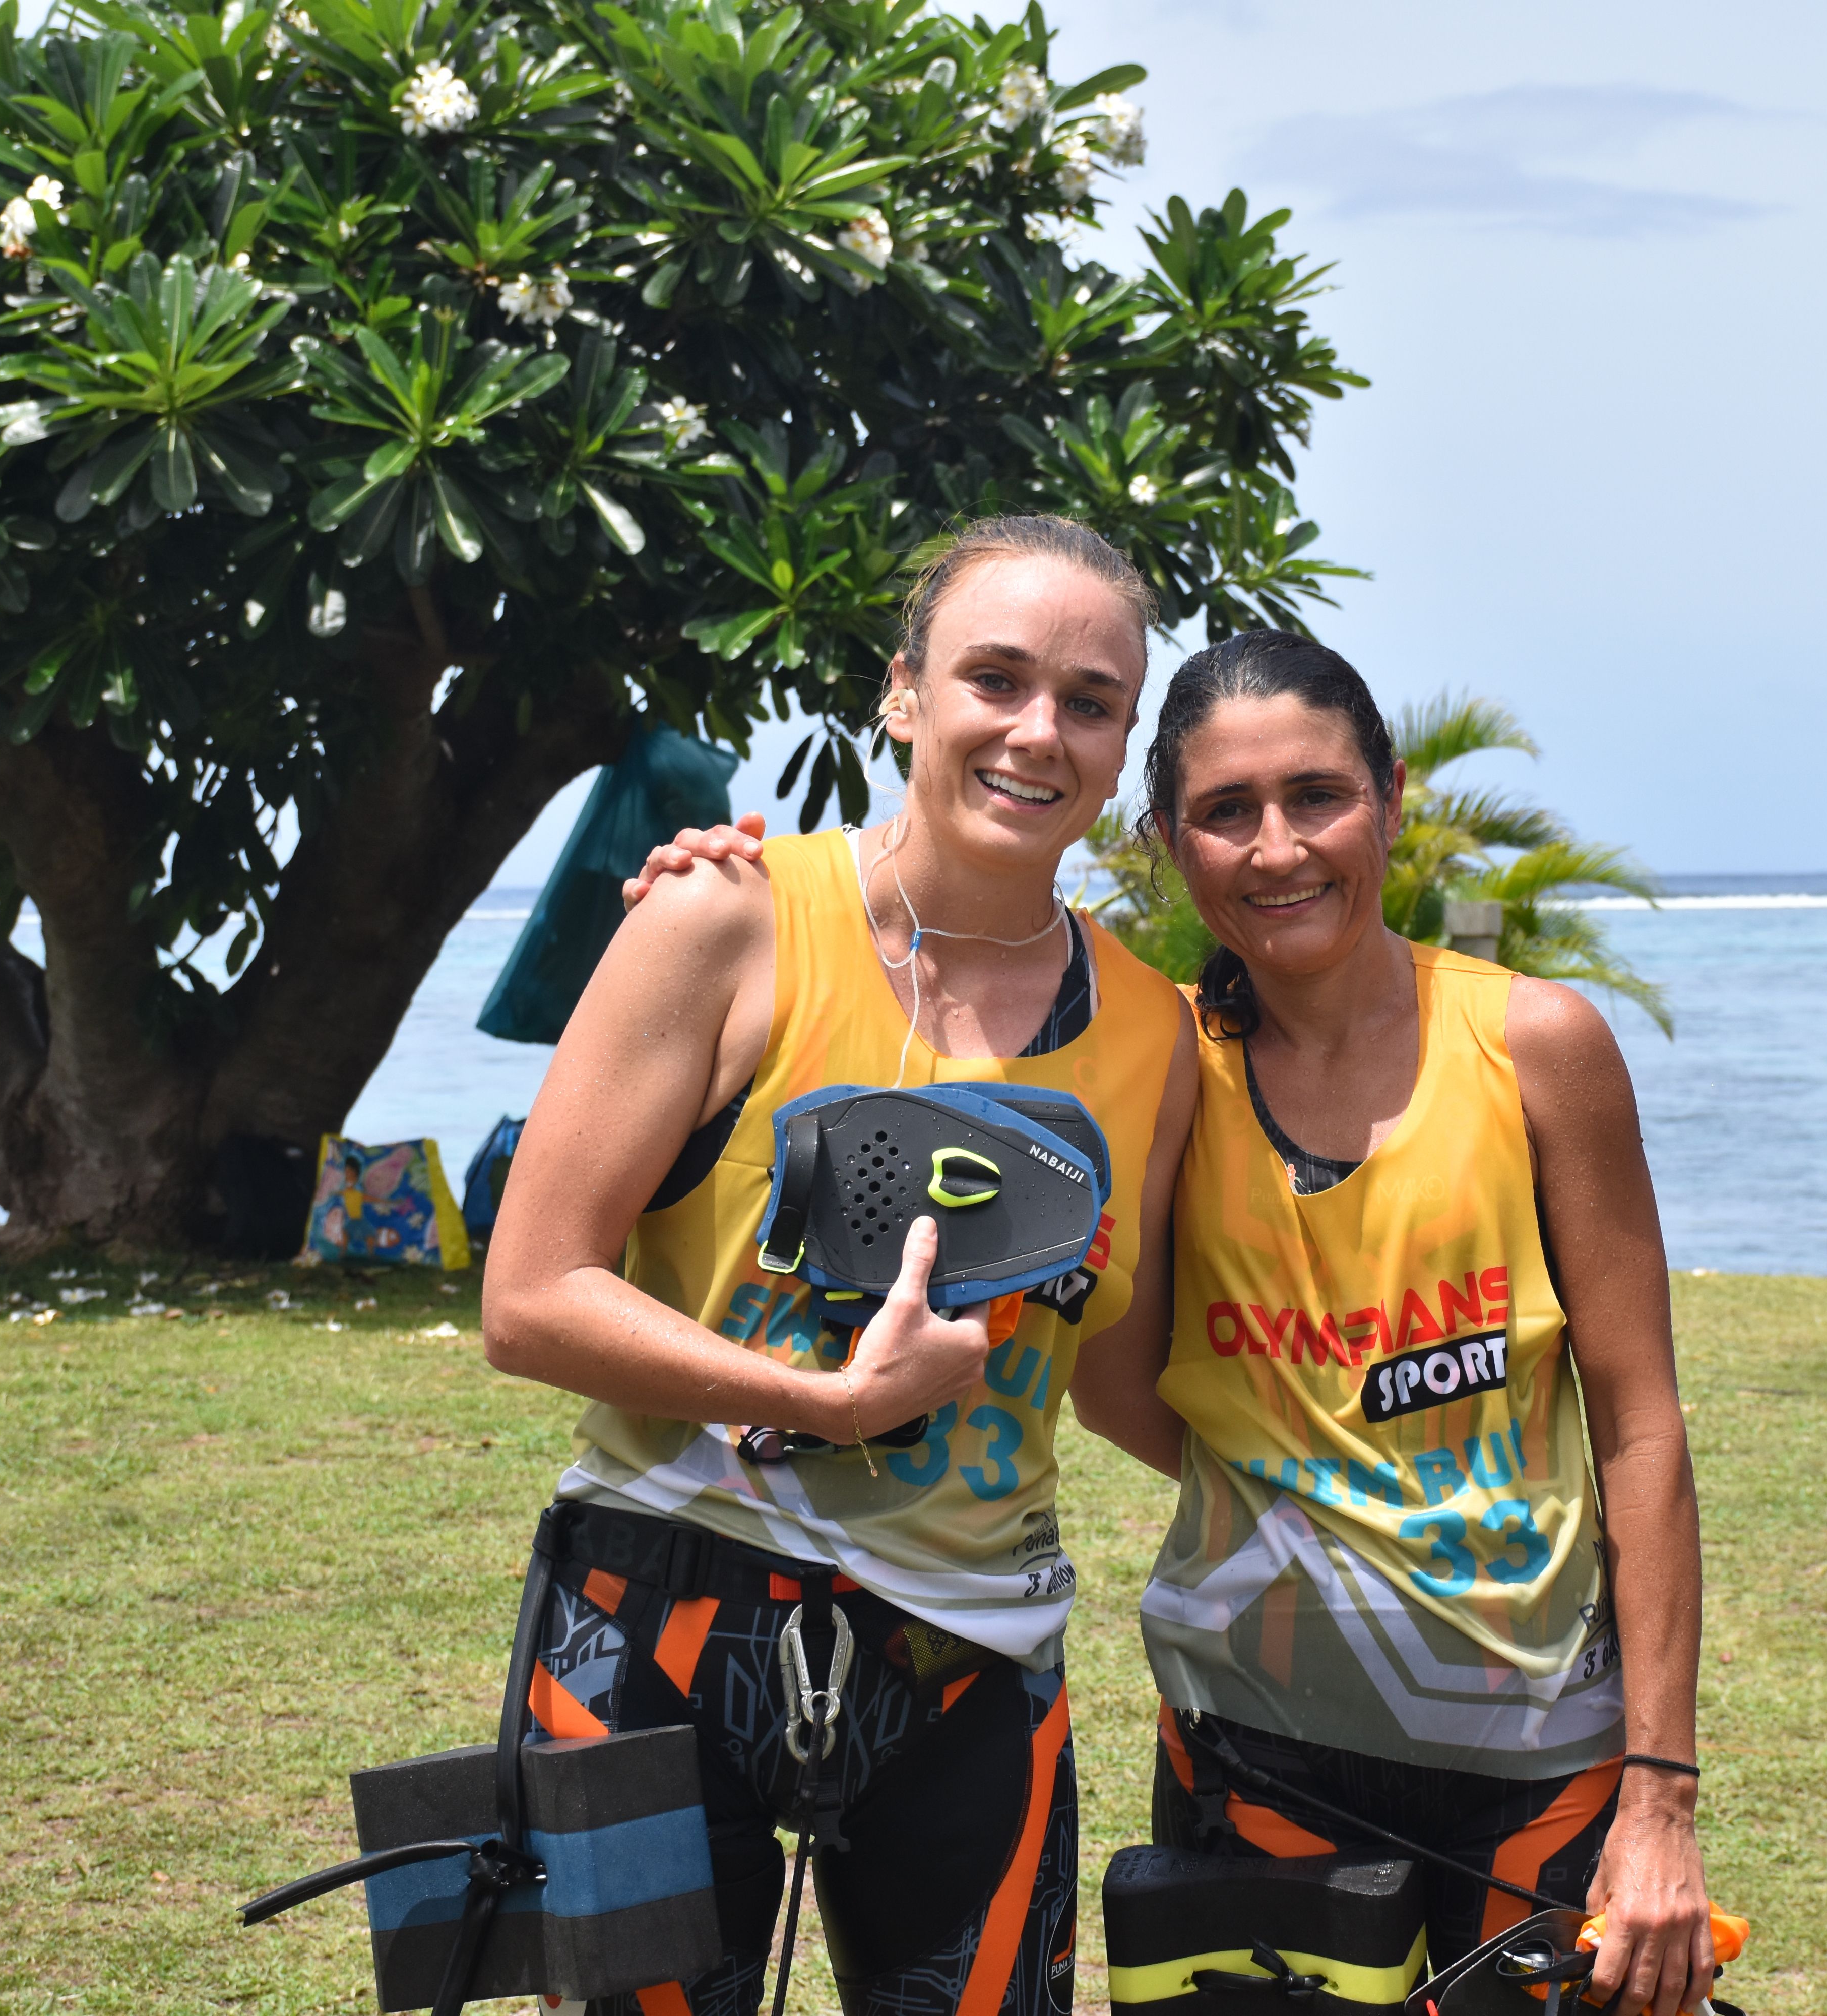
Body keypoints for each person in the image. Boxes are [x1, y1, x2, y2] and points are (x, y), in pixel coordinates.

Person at [631, 633, 1715, 2016]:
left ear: (1391, 796)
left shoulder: (1535, 1046)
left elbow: (1639, 1421)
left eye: (1317, 795)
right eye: (1224, 814)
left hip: (1546, 1755)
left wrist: (1664, 1793)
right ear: (1167, 842)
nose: (1278, 849)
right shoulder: (1161, 1065)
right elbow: (1114, 1383)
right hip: (1253, 1746)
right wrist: (723, 887)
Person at [483, 514, 1199, 2016]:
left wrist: (1369, 1470)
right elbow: (533, 1294)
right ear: (903, 694)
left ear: (1125, 742)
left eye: (1088, 700)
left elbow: (1127, 1380)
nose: (1035, 730)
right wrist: (821, 1401)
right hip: (662, 1611)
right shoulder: (724, 918)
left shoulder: (1156, 1032)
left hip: (973, 1652)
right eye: (992, 678)